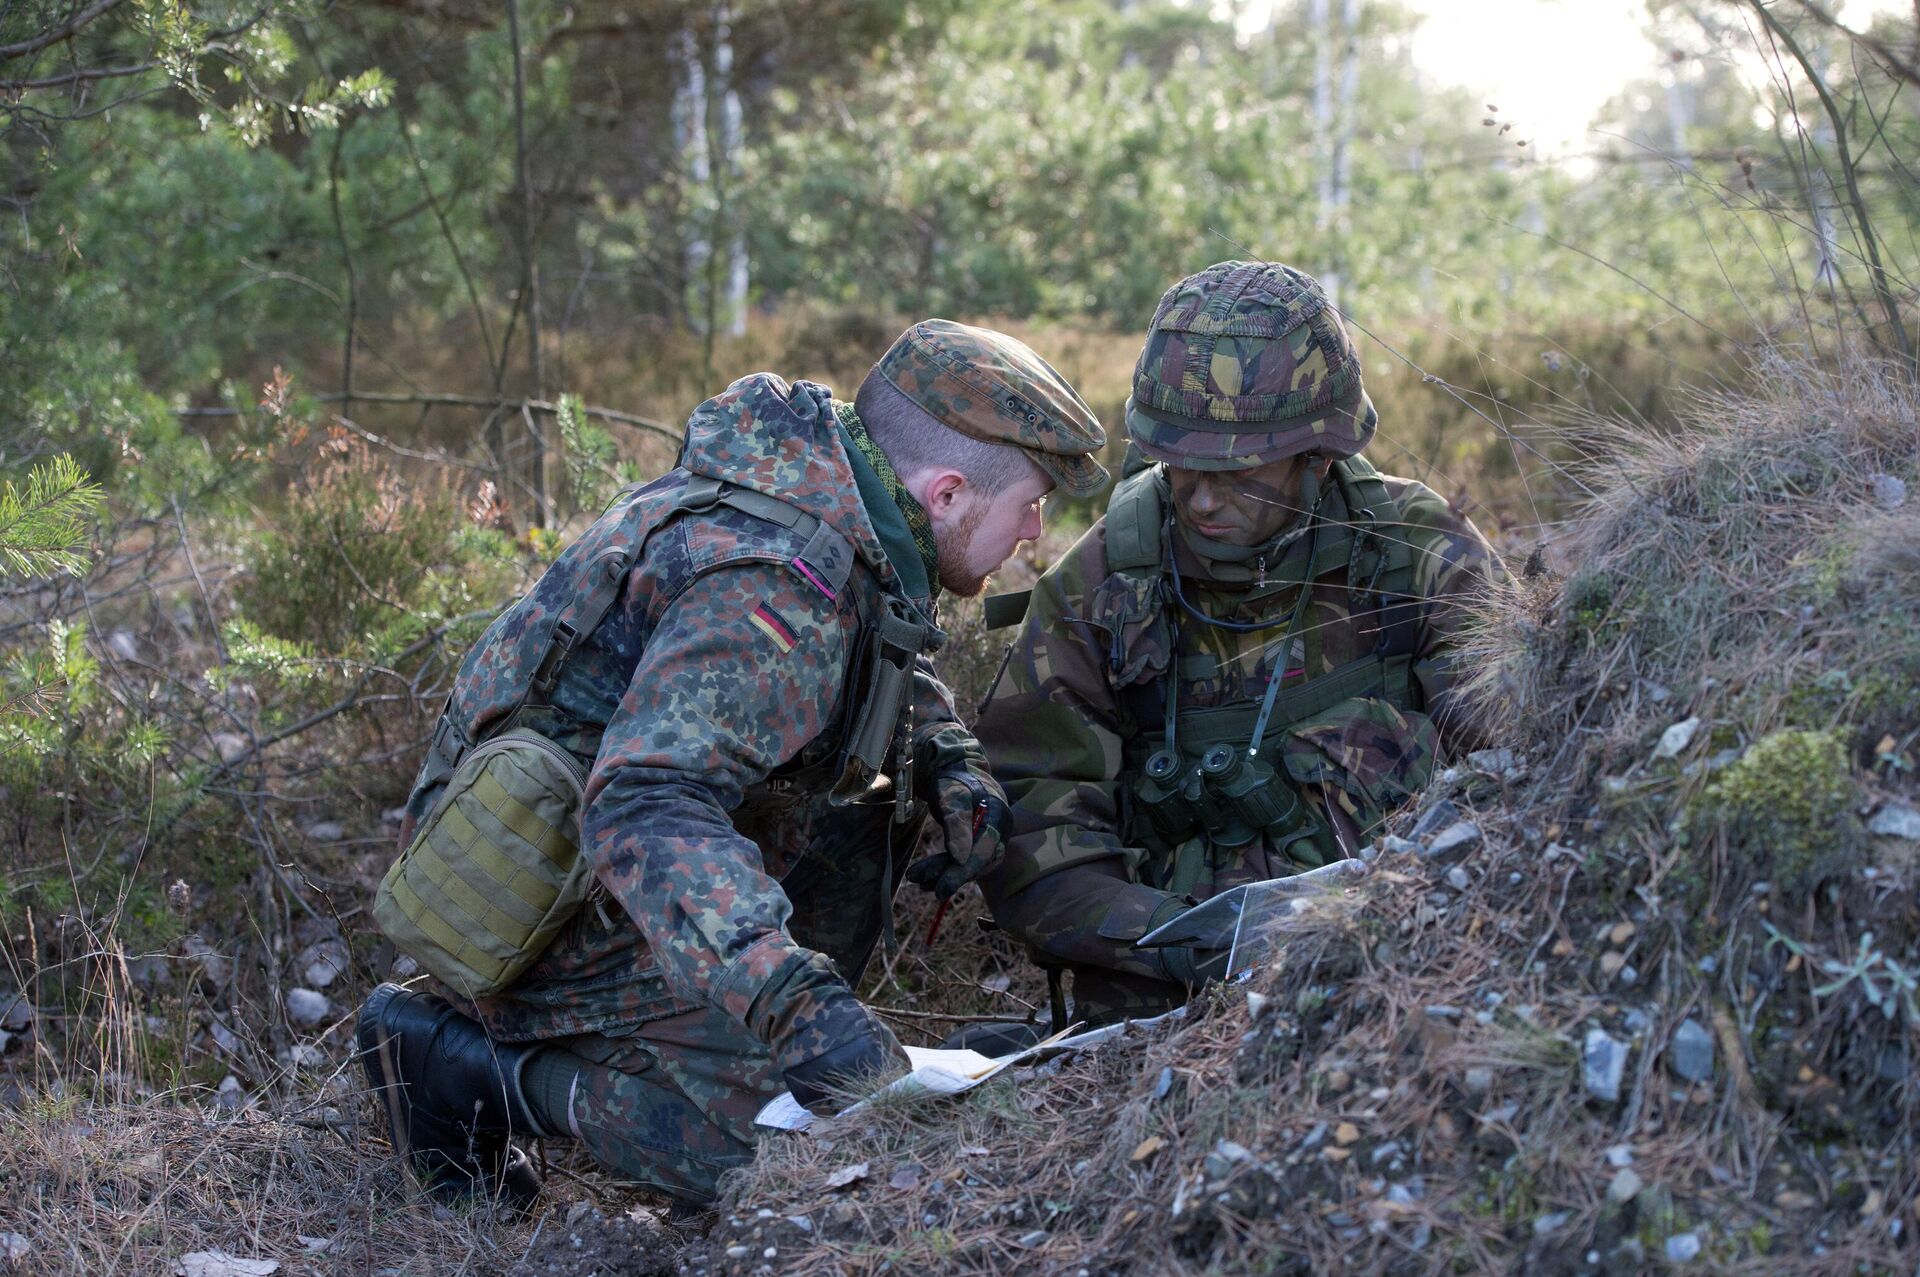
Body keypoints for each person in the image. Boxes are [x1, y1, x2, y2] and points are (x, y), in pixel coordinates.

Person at [356, 320, 1105, 1207]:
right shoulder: (777, 580)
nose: (1035, 528)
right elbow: (643, 802)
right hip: (528, 903)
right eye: (1030, 501)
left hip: (592, 865)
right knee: (815, 1166)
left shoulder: (841, 499)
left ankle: (722, 1040)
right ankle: (461, 1065)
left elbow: (877, 644)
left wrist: (948, 759)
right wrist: (794, 1001)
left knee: (872, 804)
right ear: (946, 494)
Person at [971, 260, 1505, 1035]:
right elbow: (1032, 829)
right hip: (1162, 1009)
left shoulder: (1415, 556)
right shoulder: (1105, 584)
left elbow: (1513, 782)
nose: (1203, 497)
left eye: (1238, 472)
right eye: (1179, 465)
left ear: (1318, 454)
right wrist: (1190, 941)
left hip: (1408, 968)